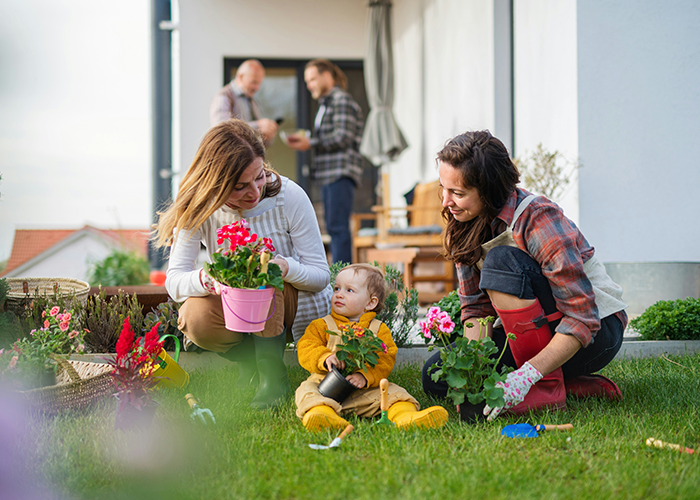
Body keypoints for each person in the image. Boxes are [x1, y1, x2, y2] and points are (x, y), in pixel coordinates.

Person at [422, 130, 628, 420]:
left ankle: (546, 386)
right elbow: (476, 310)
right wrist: (472, 370)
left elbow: (583, 317)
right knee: (435, 378)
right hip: (527, 337)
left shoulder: (538, 218)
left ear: (489, 189)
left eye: (457, 193)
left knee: (500, 260)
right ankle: (572, 386)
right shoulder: (464, 223)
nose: (446, 202)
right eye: (444, 189)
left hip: (594, 335)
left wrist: (524, 376)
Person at [154, 119, 332, 410]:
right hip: (236, 308)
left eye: (259, 177)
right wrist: (208, 279)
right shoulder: (200, 207)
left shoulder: (289, 197)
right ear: (216, 183)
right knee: (194, 318)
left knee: (264, 277)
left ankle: (273, 380)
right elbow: (174, 282)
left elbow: (321, 276)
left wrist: (284, 267)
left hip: (293, 304)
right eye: (240, 186)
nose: (255, 192)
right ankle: (254, 365)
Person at [295, 263, 448, 431]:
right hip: (325, 386)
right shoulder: (321, 325)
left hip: (365, 391)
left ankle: (406, 417)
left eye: (349, 290)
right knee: (307, 391)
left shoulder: (378, 330)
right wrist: (324, 357)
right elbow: (306, 346)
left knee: (396, 394)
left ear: (370, 303)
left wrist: (365, 376)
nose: (339, 295)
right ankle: (322, 414)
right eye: (337, 288)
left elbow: (386, 358)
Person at [286, 59, 364, 265]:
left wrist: (310, 142)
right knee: (333, 227)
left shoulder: (341, 101)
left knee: (338, 228)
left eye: (312, 79)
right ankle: (339, 278)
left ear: (326, 76)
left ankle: (341, 279)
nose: (309, 85)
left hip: (339, 172)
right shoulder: (327, 104)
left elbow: (342, 137)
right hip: (330, 173)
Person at [209, 59, 279, 145]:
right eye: (254, 82)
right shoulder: (224, 96)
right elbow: (221, 131)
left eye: (259, 84)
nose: (257, 88)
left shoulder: (252, 101)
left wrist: (267, 135)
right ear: (241, 77)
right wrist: (258, 127)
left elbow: (257, 142)